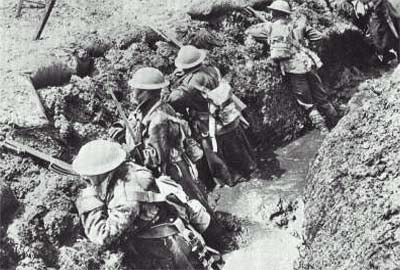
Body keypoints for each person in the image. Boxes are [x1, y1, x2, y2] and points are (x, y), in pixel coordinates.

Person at [73, 139, 222, 270]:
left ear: (102, 171)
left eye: (89, 175)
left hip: (165, 249)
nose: (86, 178)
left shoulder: (125, 196)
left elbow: (103, 236)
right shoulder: (129, 169)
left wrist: (90, 201)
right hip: (175, 237)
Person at [110, 67, 208, 208]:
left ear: (146, 93)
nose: (132, 93)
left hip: (172, 172)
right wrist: (122, 128)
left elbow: (156, 159)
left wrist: (128, 150)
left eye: (136, 90)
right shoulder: (149, 108)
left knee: (191, 204)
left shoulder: (158, 120)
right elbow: (135, 118)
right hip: (168, 170)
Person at [167, 45, 257, 189]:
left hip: (210, 127)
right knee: (237, 145)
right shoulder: (213, 70)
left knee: (215, 154)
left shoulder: (189, 85)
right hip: (230, 117)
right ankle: (250, 168)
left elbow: (174, 100)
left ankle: (230, 180)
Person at [246, 0, 339, 133]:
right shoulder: (298, 24)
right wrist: (306, 45)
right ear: (287, 13)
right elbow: (318, 36)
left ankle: (324, 130)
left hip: (294, 69)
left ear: (273, 12)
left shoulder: (271, 27)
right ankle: (337, 122)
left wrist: (266, 25)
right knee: (322, 97)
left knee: (308, 104)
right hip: (308, 63)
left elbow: (250, 31)